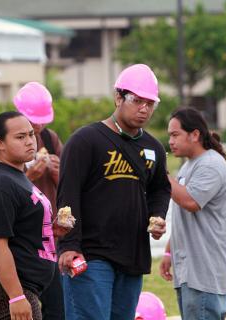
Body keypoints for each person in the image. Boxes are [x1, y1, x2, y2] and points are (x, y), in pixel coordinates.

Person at [57, 63, 171, 320]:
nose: (144, 108)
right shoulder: (85, 140)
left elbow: (161, 189)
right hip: (91, 254)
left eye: (150, 103)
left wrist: (157, 216)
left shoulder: (153, 147)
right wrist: (69, 245)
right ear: (118, 97)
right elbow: (68, 195)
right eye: (136, 100)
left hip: (132, 255)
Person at [0, 111, 56, 320]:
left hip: (23, 287)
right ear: (0, 143)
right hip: (0, 290)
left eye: (31, 135)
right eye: (20, 137)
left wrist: (53, 229)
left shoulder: (16, 176)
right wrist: (16, 297)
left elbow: (21, 228)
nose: (29, 142)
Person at [160, 107, 226, 320]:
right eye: (169, 136)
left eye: (175, 135)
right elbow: (184, 218)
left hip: (204, 275)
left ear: (195, 135)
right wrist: (168, 252)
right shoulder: (188, 167)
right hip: (189, 273)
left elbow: (190, 201)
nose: (171, 141)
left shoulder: (210, 165)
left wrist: (160, 172)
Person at [14, 81, 65, 320]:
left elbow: (70, 183)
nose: (39, 126)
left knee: (58, 307)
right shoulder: (4, 141)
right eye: (35, 120)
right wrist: (28, 177)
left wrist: (57, 172)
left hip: (51, 238)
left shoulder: (49, 138)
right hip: (21, 239)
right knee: (28, 306)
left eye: (43, 120)